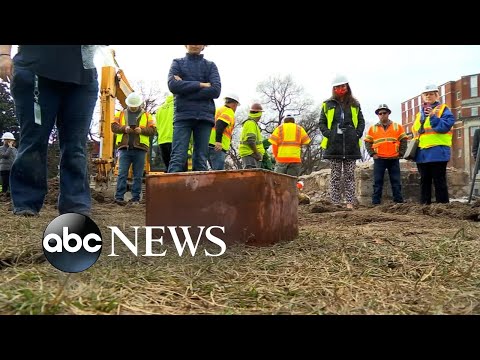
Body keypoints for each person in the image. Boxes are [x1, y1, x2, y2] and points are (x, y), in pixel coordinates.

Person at [0, 45, 99, 217]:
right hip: (35, 71)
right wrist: (3, 55)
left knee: (76, 145)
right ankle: (26, 202)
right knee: (34, 141)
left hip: (83, 78)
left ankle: (75, 204)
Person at [167, 45, 221, 172]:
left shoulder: (211, 65)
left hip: (204, 117)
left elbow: (216, 90)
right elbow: (173, 86)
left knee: (201, 159)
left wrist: (185, 90)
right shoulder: (177, 63)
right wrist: (201, 84)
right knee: (178, 157)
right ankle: (172, 191)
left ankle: (199, 191)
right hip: (183, 116)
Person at [319, 74, 365, 209]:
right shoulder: (327, 104)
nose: (341, 89)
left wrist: (357, 134)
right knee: (335, 176)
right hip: (334, 145)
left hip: (351, 144)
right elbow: (321, 122)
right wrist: (329, 134)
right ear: (334, 88)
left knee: (350, 175)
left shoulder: (355, 104)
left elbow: (361, 121)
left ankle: (349, 202)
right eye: (338, 86)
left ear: (347, 87)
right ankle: (335, 202)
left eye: (343, 86)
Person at [412, 84, 455, 204]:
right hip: (422, 154)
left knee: (439, 181)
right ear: (422, 97)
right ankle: (424, 207)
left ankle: (443, 208)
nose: (428, 96)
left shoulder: (443, 110)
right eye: (426, 94)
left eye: (431, 94)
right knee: (424, 181)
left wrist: (432, 116)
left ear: (437, 95)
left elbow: (444, 127)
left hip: (438, 152)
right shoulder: (419, 114)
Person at [111, 92, 156, 205]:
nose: (133, 107)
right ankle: (119, 198)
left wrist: (142, 130)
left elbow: (153, 130)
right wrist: (124, 128)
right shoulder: (120, 114)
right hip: (124, 148)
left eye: (134, 105)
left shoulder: (146, 115)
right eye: (132, 105)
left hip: (140, 149)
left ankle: (135, 198)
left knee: (138, 175)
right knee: (122, 174)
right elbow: (113, 126)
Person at [364, 104, 408, 205]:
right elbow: (367, 142)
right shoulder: (373, 128)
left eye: (384, 113)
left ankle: (398, 202)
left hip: (393, 158)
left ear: (388, 113)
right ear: (378, 115)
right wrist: (372, 154)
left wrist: (401, 153)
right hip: (379, 159)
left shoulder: (397, 127)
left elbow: (404, 140)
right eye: (380, 113)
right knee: (378, 182)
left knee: (396, 181)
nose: (382, 115)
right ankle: (376, 203)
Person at [208, 93, 240, 170]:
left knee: (211, 172)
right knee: (218, 174)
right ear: (234, 104)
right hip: (217, 147)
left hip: (209, 143)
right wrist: (218, 141)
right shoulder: (229, 111)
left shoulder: (219, 110)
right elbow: (220, 124)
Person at [239, 103, 265, 169]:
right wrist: (257, 154)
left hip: (252, 155)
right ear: (259, 114)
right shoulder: (250, 123)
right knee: (251, 177)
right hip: (251, 154)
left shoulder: (252, 123)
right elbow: (250, 141)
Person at [155, 93, 174, 170]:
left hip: (162, 141)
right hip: (175, 140)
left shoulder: (160, 109)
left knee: (168, 167)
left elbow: (157, 126)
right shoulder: (178, 106)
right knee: (179, 169)